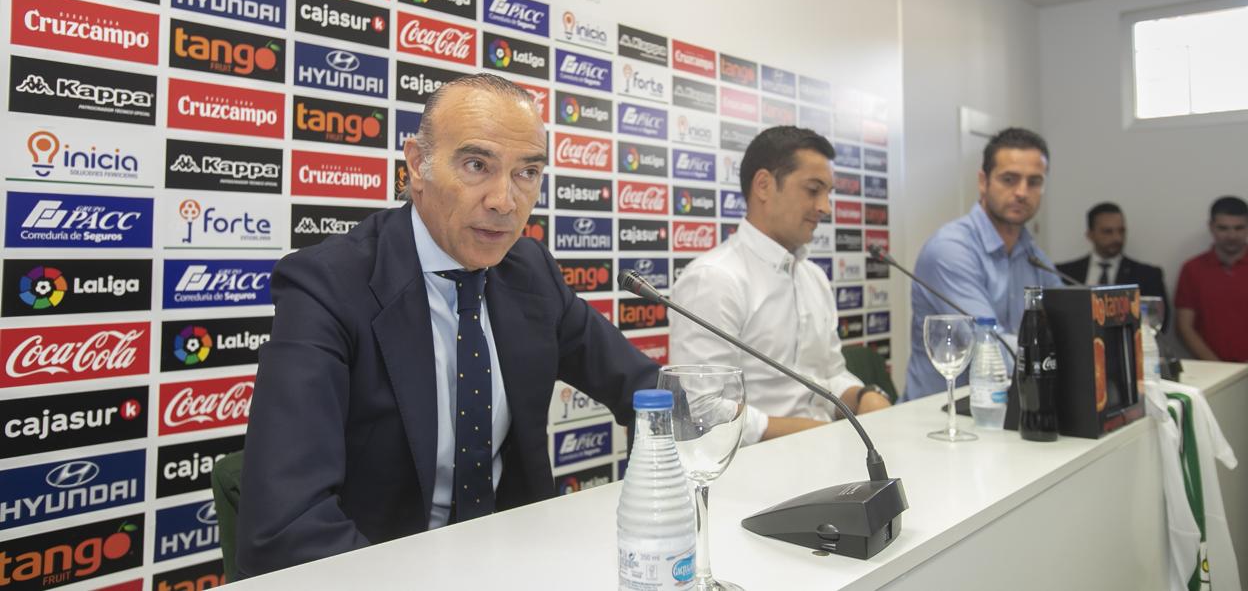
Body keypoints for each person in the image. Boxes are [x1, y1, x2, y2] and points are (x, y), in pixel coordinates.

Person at [236, 75, 659, 577]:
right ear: (417, 164)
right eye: (477, 166)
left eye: (527, 172)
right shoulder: (326, 286)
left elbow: (648, 391)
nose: (504, 200)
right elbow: (289, 528)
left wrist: (654, 511)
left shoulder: (531, 272)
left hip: (519, 566)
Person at [668, 126, 890, 447]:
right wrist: (811, 431)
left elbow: (828, 374)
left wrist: (861, 396)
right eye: (813, 190)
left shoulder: (813, 277)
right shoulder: (714, 279)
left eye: (829, 193)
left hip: (826, 456)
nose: (825, 207)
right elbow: (702, 410)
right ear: (764, 185)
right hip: (752, 476)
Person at [901, 127, 1062, 401]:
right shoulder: (950, 250)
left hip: (1005, 415)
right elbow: (991, 351)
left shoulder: (1035, 257)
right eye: (1009, 179)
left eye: (1034, 182)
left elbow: (1068, 329)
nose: (1022, 192)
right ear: (983, 181)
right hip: (939, 421)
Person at [1056, 202, 1169, 329]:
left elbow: (1158, 323)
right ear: (1090, 235)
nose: (1117, 238)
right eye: (1107, 232)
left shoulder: (1148, 275)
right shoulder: (1063, 273)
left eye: (1121, 231)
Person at [1175, 196, 1248, 362]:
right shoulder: (1192, 269)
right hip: (1211, 370)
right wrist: (1218, 367)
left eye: (1239, 228)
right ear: (1211, 227)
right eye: (1224, 228)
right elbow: (1184, 326)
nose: (1232, 235)